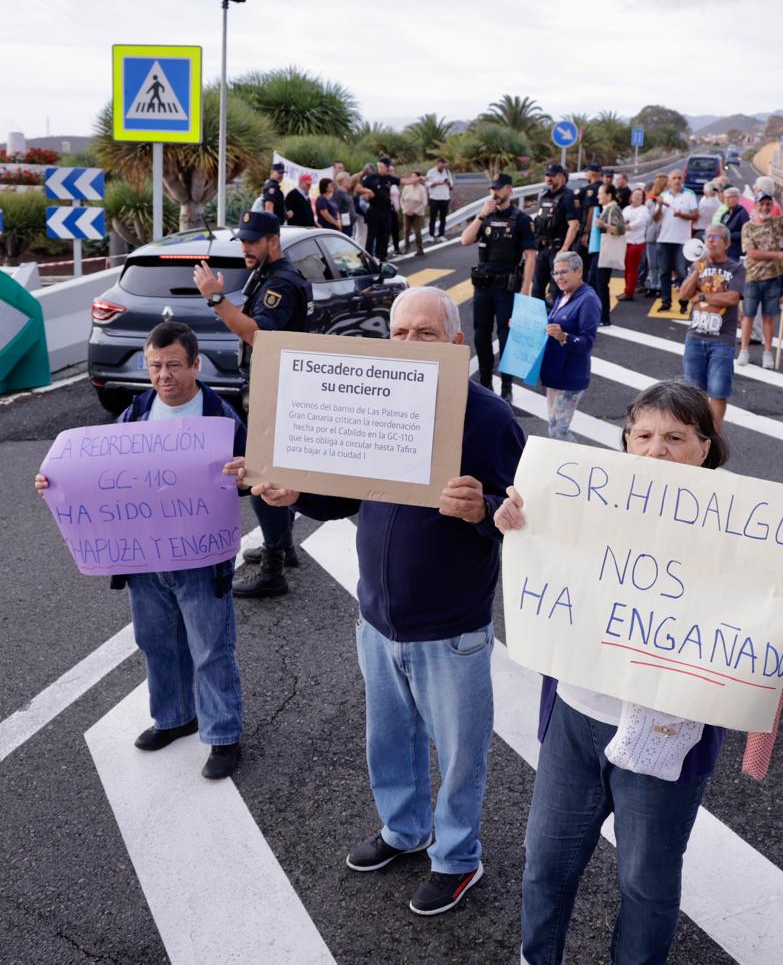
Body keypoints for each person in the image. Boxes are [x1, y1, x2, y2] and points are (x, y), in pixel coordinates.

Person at [495, 379, 783, 965]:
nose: (656, 450)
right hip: (576, 715)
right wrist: (520, 524)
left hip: (671, 730)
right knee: (545, 862)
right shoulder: (584, 500)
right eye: (643, 435)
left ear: (705, 448)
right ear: (625, 441)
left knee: (646, 883)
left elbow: (761, 614)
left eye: (675, 437)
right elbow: (546, 558)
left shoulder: (746, 528)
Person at [248, 287, 525, 916]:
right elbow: (344, 495)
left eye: (426, 333)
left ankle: (457, 857)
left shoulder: (489, 419)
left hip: (451, 626)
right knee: (389, 740)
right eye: (399, 333)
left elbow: (524, 517)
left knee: (460, 754)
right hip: (376, 618)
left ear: (457, 343)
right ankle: (405, 830)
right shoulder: (376, 399)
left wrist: (482, 509)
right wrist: (297, 495)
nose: (410, 344)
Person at [34, 321, 248, 780]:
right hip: (144, 558)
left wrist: (245, 473)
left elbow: (253, 476)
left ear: (195, 364)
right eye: (154, 366)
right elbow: (99, 472)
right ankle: (174, 717)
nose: (163, 376)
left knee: (211, 647)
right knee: (156, 641)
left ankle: (223, 734)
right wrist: (55, 481)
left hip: (201, 557)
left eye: (173, 365)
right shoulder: (135, 413)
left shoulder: (221, 418)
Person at [193, 211, 310, 597]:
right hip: (271, 385)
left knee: (261, 473)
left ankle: (273, 569)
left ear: (273, 241)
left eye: (253, 241)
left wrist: (215, 298)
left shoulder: (282, 283)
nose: (245, 247)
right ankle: (283, 546)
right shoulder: (267, 274)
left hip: (278, 390)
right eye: (243, 240)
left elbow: (259, 335)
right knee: (271, 468)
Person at [460, 174, 539, 401]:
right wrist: (481, 215)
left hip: (507, 287)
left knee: (506, 336)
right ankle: (486, 382)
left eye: (499, 188)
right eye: (492, 188)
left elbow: (530, 256)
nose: (494, 192)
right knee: (481, 335)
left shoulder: (521, 219)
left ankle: (506, 385)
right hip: (483, 287)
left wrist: (525, 290)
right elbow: (465, 240)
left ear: (509, 190)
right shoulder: (485, 217)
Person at [678, 224, 744, 431]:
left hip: (722, 340)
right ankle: (694, 433)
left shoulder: (736, 268)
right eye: (708, 237)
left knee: (718, 392)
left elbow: (732, 298)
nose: (710, 242)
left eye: (716, 238)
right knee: (691, 392)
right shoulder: (698, 265)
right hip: (695, 337)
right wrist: (696, 271)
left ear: (727, 243)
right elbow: (684, 294)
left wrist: (702, 297)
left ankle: (714, 435)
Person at [540, 252, 601, 438]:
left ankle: (575, 458)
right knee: (554, 429)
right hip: (555, 372)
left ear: (579, 272)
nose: (559, 277)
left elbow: (587, 341)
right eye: (556, 273)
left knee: (558, 431)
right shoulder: (564, 295)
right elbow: (551, 326)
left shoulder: (588, 300)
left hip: (571, 375)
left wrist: (564, 336)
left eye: (564, 272)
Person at [739, 191, 783, 368]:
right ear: (755, 206)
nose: (765, 207)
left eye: (768, 204)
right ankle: (744, 350)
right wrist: (778, 255)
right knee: (748, 316)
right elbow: (751, 252)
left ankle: (767, 352)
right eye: (761, 204)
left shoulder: (776, 224)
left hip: (773, 278)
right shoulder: (748, 227)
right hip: (752, 278)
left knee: (769, 317)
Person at [531, 164, 581, 305]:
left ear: (561, 177)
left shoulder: (569, 196)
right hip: (542, 248)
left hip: (558, 249)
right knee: (537, 288)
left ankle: (558, 317)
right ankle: (537, 318)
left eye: (552, 175)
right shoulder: (544, 196)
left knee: (557, 289)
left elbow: (574, 225)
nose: (548, 178)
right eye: (547, 175)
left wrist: (564, 249)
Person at [652, 170, 699, 311]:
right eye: (674, 178)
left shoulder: (689, 194)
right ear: (669, 181)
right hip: (664, 239)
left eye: (679, 178)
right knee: (664, 271)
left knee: (682, 271)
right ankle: (666, 302)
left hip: (682, 240)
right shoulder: (664, 195)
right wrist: (660, 206)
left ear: (683, 179)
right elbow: (655, 219)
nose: (677, 180)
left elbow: (695, 216)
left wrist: (681, 215)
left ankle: (684, 302)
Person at [591, 183, 624, 325]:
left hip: (605, 252)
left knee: (601, 284)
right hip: (600, 250)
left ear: (609, 195)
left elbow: (620, 229)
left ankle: (604, 317)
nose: (598, 196)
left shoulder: (613, 208)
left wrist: (603, 225)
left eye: (600, 193)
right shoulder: (607, 208)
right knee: (594, 282)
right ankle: (598, 315)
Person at [362, 157, 399, 258]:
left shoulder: (390, 179)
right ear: (380, 167)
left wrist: (417, 179)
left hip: (387, 210)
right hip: (374, 210)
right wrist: (366, 194)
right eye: (386, 167)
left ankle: (382, 255)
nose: (388, 170)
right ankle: (369, 256)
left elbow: (403, 181)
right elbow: (360, 188)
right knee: (372, 235)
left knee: (385, 234)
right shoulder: (371, 178)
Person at [620, 189, 651, 301]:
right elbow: (620, 220)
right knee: (626, 268)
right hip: (625, 241)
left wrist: (624, 226)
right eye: (635, 195)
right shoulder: (626, 209)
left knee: (632, 268)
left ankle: (629, 292)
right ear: (631, 197)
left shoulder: (644, 210)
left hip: (636, 242)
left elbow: (638, 223)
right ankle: (626, 289)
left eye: (640, 196)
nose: (637, 197)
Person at [640, 176, 666, 297]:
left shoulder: (667, 200)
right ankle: (654, 285)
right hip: (652, 234)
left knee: (661, 263)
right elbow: (650, 218)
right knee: (652, 263)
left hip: (663, 235)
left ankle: (660, 285)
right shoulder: (650, 201)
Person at [716, 186, 750, 261]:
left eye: (730, 197)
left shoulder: (742, 213)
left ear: (737, 198)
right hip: (725, 249)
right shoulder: (726, 213)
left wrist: (728, 235)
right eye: (725, 198)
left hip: (736, 251)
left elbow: (746, 233)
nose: (727, 200)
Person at [401, 170, 430, 256]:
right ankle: (406, 248)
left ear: (418, 178)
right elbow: (402, 200)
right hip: (406, 211)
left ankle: (419, 248)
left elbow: (424, 202)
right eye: (411, 177)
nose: (412, 178)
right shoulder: (407, 187)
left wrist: (415, 211)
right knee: (406, 230)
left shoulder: (421, 188)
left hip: (417, 213)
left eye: (414, 177)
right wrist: (405, 209)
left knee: (417, 231)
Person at [426, 157, 454, 240]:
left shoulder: (447, 172)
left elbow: (451, 184)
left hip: (445, 197)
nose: (442, 168)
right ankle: (431, 235)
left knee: (443, 218)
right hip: (434, 198)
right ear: (437, 164)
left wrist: (448, 182)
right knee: (433, 217)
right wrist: (435, 183)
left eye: (443, 166)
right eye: (440, 166)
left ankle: (441, 234)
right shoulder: (431, 172)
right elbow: (427, 183)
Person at [332, 170, 357, 236]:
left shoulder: (346, 192)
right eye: (347, 179)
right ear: (342, 181)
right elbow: (336, 208)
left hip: (350, 222)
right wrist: (339, 221)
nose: (349, 181)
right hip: (345, 224)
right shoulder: (339, 193)